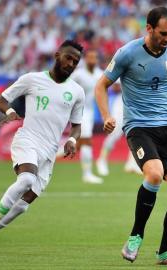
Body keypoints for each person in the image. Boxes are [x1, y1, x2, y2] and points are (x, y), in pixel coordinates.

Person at [94, 6, 167, 265]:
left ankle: (165, 252)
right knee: (153, 174)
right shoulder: (127, 53)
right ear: (149, 28)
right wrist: (107, 116)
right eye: (163, 33)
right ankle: (135, 236)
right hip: (138, 127)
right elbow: (102, 85)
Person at [0, 40, 85, 255]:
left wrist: (72, 140)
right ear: (57, 55)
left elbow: (77, 126)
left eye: (76, 61)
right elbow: (1, 99)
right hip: (28, 139)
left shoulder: (77, 91)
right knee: (26, 179)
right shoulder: (32, 79)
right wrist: (9, 113)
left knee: (22, 206)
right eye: (68, 58)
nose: (71, 63)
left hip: (50, 151)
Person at [69, 49, 104, 184]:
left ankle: (58, 152)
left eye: (94, 57)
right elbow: (67, 89)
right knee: (86, 141)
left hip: (89, 111)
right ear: (85, 59)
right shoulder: (78, 75)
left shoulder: (99, 74)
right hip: (77, 111)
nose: (92, 60)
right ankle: (87, 174)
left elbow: (111, 84)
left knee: (80, 143)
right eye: (89, 57)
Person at [96, 82, 142, 176]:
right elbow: (114, 87)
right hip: (123, 101)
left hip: (137, 101)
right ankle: (102, 159)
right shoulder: (125, 67)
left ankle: (132, 162)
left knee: (137, 131)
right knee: (115, 131)